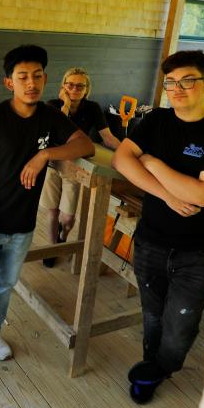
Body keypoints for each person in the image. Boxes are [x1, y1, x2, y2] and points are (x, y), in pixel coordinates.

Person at [111, 50, 204, 404]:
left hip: (198, 253)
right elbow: (122, 159)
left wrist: (152, 161)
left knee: (181, 325)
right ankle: (150, 368)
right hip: (152, 242)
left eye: (187, 81)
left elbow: (200, 195)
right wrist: (166, 195)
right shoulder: (155, 122)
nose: (177, 89)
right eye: (170, 82)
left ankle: (161, 368)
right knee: (152, 315)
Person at [0, 45, 94, 378]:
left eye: (37, 76)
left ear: (45, 79)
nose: (31, 83)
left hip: (21, 226)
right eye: (22, 77)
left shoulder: (49, 117)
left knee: (5, 285)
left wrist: (45, 154)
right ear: (9, 83)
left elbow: (85, 145)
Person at [40, 67, 121, 267]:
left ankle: (62, 237)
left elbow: (107, 137)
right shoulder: (52, 105)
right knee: (52, 212)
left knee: (67, 218)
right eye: (70, 84)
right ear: (63, 86)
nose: (74, 88)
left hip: (74, 166)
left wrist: (128, 154)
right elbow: (54, 130)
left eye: (80, 86)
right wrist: (65, 105)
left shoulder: (92, 108)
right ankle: (52, 248)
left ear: (86, 89)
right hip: (51, 163)